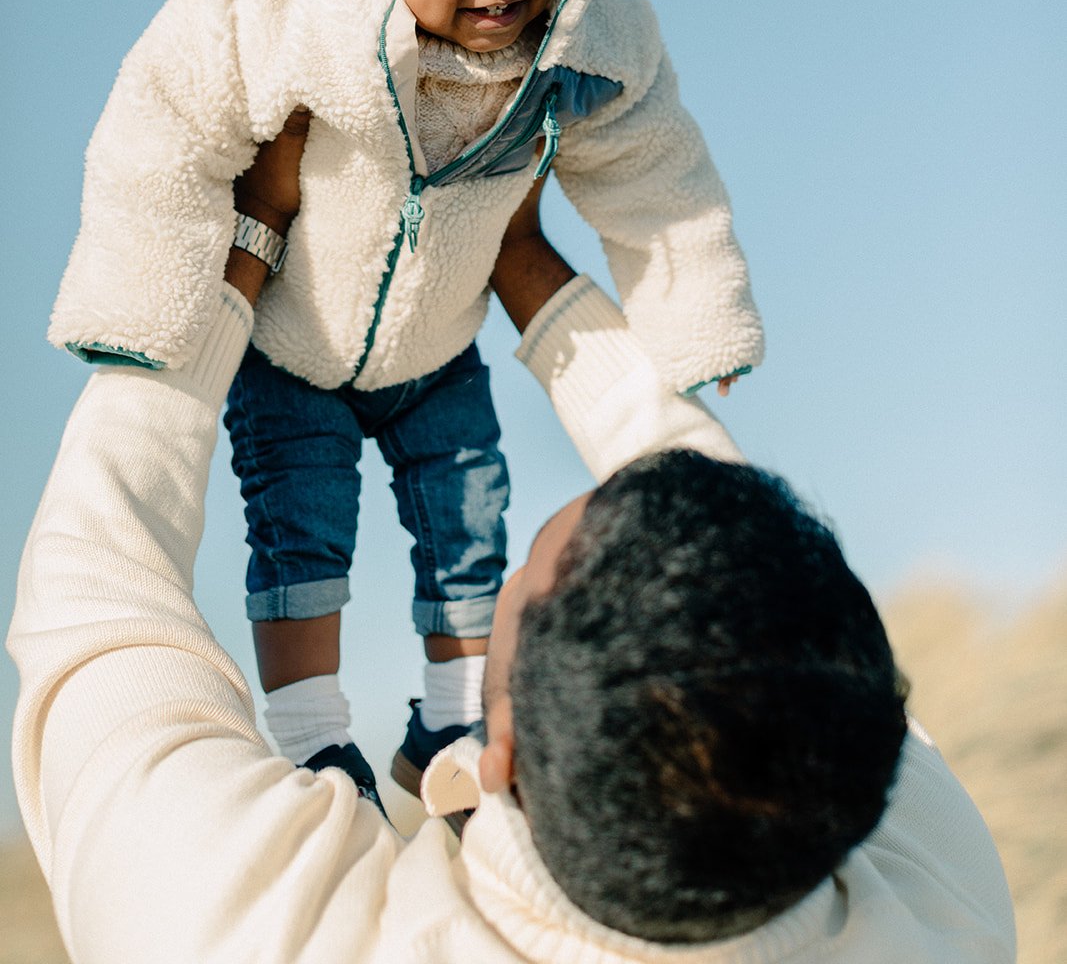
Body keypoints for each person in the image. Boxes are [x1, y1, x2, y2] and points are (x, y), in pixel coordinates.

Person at [9, 127, 1014, 962]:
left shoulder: (252, 929)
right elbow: (747, 578)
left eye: (515, 587)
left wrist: (249, 242)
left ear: (497, 756)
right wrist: (521, 259)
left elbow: (94, 591)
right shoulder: (937, 907)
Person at [46, 0, 764, 797]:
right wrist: (141, 312)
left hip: (440, 346)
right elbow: (164, 128)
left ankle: (450, 726)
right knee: (302, 533)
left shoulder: (583, 45)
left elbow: (659, 174)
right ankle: (309, 734)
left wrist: (697, 321)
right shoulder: (276, 7)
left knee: (470, 517)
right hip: (293, 348)